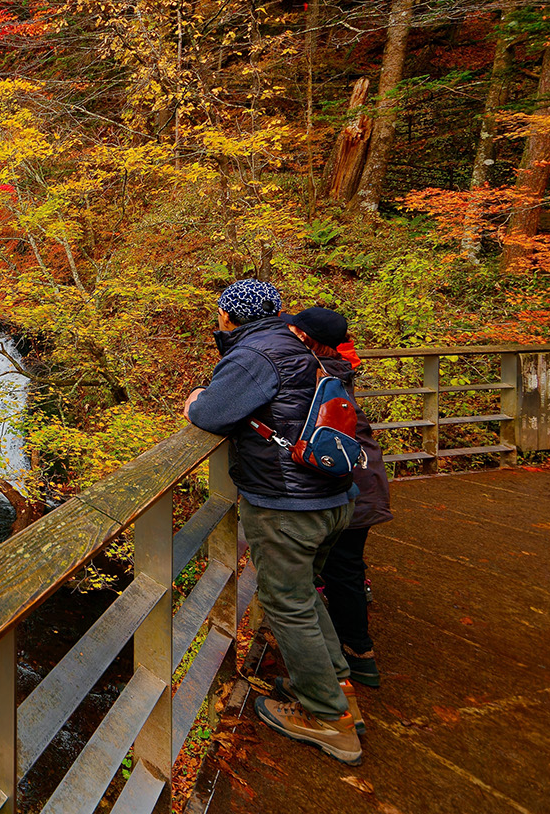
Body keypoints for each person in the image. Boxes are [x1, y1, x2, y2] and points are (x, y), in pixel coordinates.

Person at [183, 280, 362, 766]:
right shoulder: (297, 344)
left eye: (220, 311)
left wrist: (196, 400)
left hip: (288, 503)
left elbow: (213, 413)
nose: (217, 318)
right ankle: (338, 685)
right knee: (302, 591)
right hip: (333, 494)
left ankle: (329, 719)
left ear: (230, 316)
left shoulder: (255, 354)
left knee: (286, 600)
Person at [286, 306, 391, 689]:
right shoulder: (338, 368)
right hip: (359, 476)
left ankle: (356, 657)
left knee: (340, 569)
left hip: (349, 481)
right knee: (342, 567)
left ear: (306, 339)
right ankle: (350, 653)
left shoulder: (313, 372)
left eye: (294, 332)